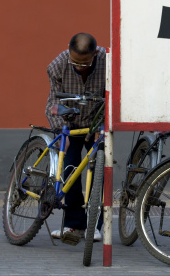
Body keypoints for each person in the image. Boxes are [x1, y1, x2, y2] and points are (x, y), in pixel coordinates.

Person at [46, 32, 105, 242]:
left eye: (85, 63)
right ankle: (72, 225)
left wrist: (103, 124)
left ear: (95, 54)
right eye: (75, 62)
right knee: (69, 171)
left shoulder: (108, 63)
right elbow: (52, 103)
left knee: (98, 173)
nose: (80, 67)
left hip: (96, 125)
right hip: (69, 125)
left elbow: (116, 96)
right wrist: (61, 130)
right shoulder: (57, 66)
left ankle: (95, 227)